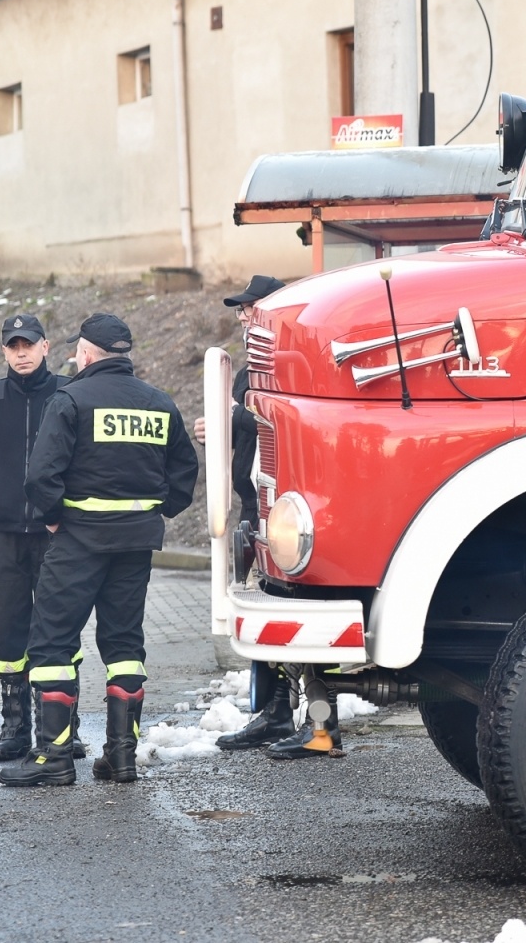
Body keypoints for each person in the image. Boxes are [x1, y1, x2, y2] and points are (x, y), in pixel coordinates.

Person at [0, 313, 198, 787]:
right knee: (125, 645)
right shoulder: (158, 402)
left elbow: (39, 476)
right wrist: (151, 511)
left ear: (86, 353)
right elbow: (183, 479)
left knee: (52, 642)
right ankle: (121, 757)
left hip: (78, 540)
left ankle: (54, 758)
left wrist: (52, 515)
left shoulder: (71, 398)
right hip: (135, 543)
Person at [0, 313, 85, 763]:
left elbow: (87, 457)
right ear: (4, 351)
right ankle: (15, 726)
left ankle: (64, 728)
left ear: (46, 347)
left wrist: (67, 507)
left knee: (59, 628)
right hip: (2, 534)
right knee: (7, 630)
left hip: (56, 534)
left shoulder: (70, 394)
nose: (21, 353)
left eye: (29, 344)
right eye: (13, 346)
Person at [192, 276, 316, 756]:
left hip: (294, 517)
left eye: (251, 308)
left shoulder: (295, 362)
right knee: (268, 620)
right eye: (241, 311)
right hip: (257, 507)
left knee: (303, 620)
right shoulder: (247, 372)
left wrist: (234, 416)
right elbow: (247, 424)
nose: (243, 317)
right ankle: (274, 712)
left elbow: (284, 419)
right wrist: (216, 430)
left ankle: (322, 723)